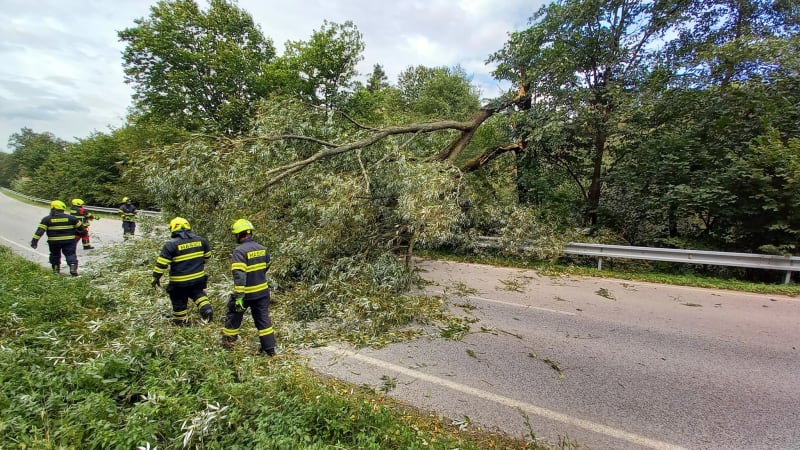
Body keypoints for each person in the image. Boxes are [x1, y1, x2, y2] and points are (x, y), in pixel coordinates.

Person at [221, 219, 276, 355]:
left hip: (245, 294)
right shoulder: (262, 249)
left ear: (239, 235)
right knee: (263, 320)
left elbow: (239, 276)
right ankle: (270, 350)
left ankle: (227, 346)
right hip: (262, 292)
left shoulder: (239, 252)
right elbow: (266, 266)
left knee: (233, 317)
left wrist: (239, 297)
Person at [151, 217, 213, 325]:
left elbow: (161, 264)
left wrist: (156, 277)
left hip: (179, 282)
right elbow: (207, 257)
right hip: (198, 278)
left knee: (178, 300)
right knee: (198, 293)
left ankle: (181, 321)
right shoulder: (201, 241)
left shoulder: (171, 245)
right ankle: (206, 308)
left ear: (173, 229)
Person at [30, 200, 86, 276]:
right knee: (70, 254)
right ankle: (73, 268)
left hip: (54, 242)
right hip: (69, 241)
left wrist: (34, 241)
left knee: (55, 255)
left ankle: (56, 271)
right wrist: (80, 234)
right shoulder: (72, 218)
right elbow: (81, 229)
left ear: (53, 208)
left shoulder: (46, 219)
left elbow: (40, 231)